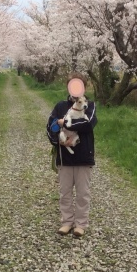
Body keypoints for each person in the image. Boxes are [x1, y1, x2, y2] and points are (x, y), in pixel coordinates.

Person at [46, 72, 97, 238]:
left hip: (84, 156)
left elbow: (88, 124)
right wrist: (58, 140)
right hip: (64, 156)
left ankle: (81, 224)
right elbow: (50, 126)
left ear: (84, 87)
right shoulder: (60, 106)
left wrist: (66, 123)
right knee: (64, 192)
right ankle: (67, 222)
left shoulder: (90, 105)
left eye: (79, 85)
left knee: (83, 193)